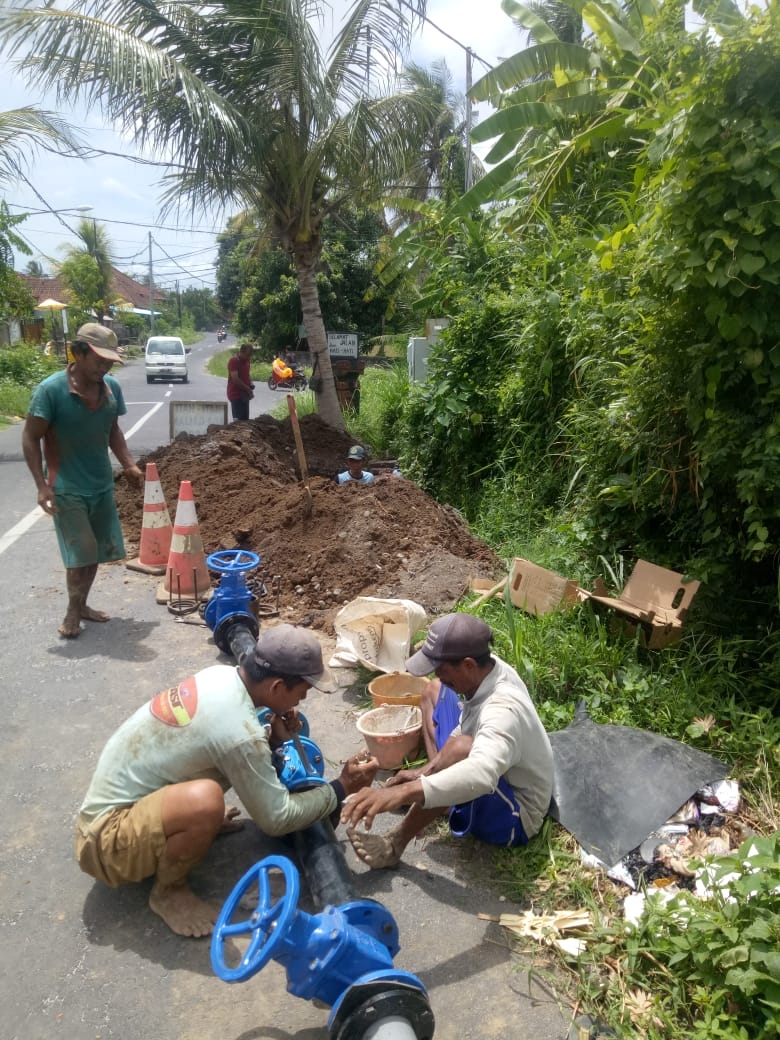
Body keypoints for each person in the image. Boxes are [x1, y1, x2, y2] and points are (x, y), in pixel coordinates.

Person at [75, 624, 379, 938]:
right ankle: (168, 892)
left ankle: (180, 823)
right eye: (302, 691)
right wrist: (342, 786)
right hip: (106, 842)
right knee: (205, 801)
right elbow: (277, 818)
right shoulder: (238, 732)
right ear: (276, 687)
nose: (302, 699)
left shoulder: (222, 678)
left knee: (207, 794)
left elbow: (231, 749)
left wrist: (273, 741)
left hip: (117, 809)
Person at [341, 613, 554, 869]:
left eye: (442, 670)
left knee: (461, 752)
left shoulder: (503, 711)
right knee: (433, 691)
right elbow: (467, 724)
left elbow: (481, 774)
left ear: (468, 665)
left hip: (514, 815)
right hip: (492, 769)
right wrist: (425, 772)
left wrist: (403, 792)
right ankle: (439, 792)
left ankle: (396, 841)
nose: (439, 675)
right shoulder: (488, 668)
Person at [22, 322, 143, 639]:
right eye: (99, 360)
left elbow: (113, 430)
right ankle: (72, 613)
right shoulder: (50, 391)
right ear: (78, 353)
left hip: (101, 483)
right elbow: (30, 437)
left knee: (96, 552)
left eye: (109, 361)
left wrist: (128, 464)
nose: (105, 367)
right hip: (66, 485)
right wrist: (41, 486)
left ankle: (83, 604)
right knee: (82, 551)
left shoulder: (111, 388)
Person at [227, 341, 255, 420]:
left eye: (250, 355)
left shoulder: (247, 361)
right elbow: (235, 379)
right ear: (241, 352)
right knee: (238, 421)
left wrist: (250, 383)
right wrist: (247, 389)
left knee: (245, 420)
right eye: (247, 355)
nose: (248, 357)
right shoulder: (234, 361)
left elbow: (247, 374)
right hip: (236, 394)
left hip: (245, 395)